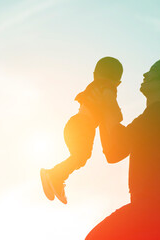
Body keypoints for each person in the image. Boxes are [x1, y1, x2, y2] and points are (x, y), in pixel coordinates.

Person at [85, 56, 160, 239]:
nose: (145, 74)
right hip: (157, 209)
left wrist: (108, 104)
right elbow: (114, 152)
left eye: (153, 70)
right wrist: (104, 109)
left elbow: (119, 142)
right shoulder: (157, 114)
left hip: (153, 207)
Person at [40, 57, 123, 204]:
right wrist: (116, 114)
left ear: (94, 74)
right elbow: (111, 106)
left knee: (80, 157)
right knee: (81, 156)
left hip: (75, 123)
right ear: (118, 82)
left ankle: (56, 176)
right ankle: (55, 175)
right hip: (84, 125)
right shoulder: (108, 87)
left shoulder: (94, 85)